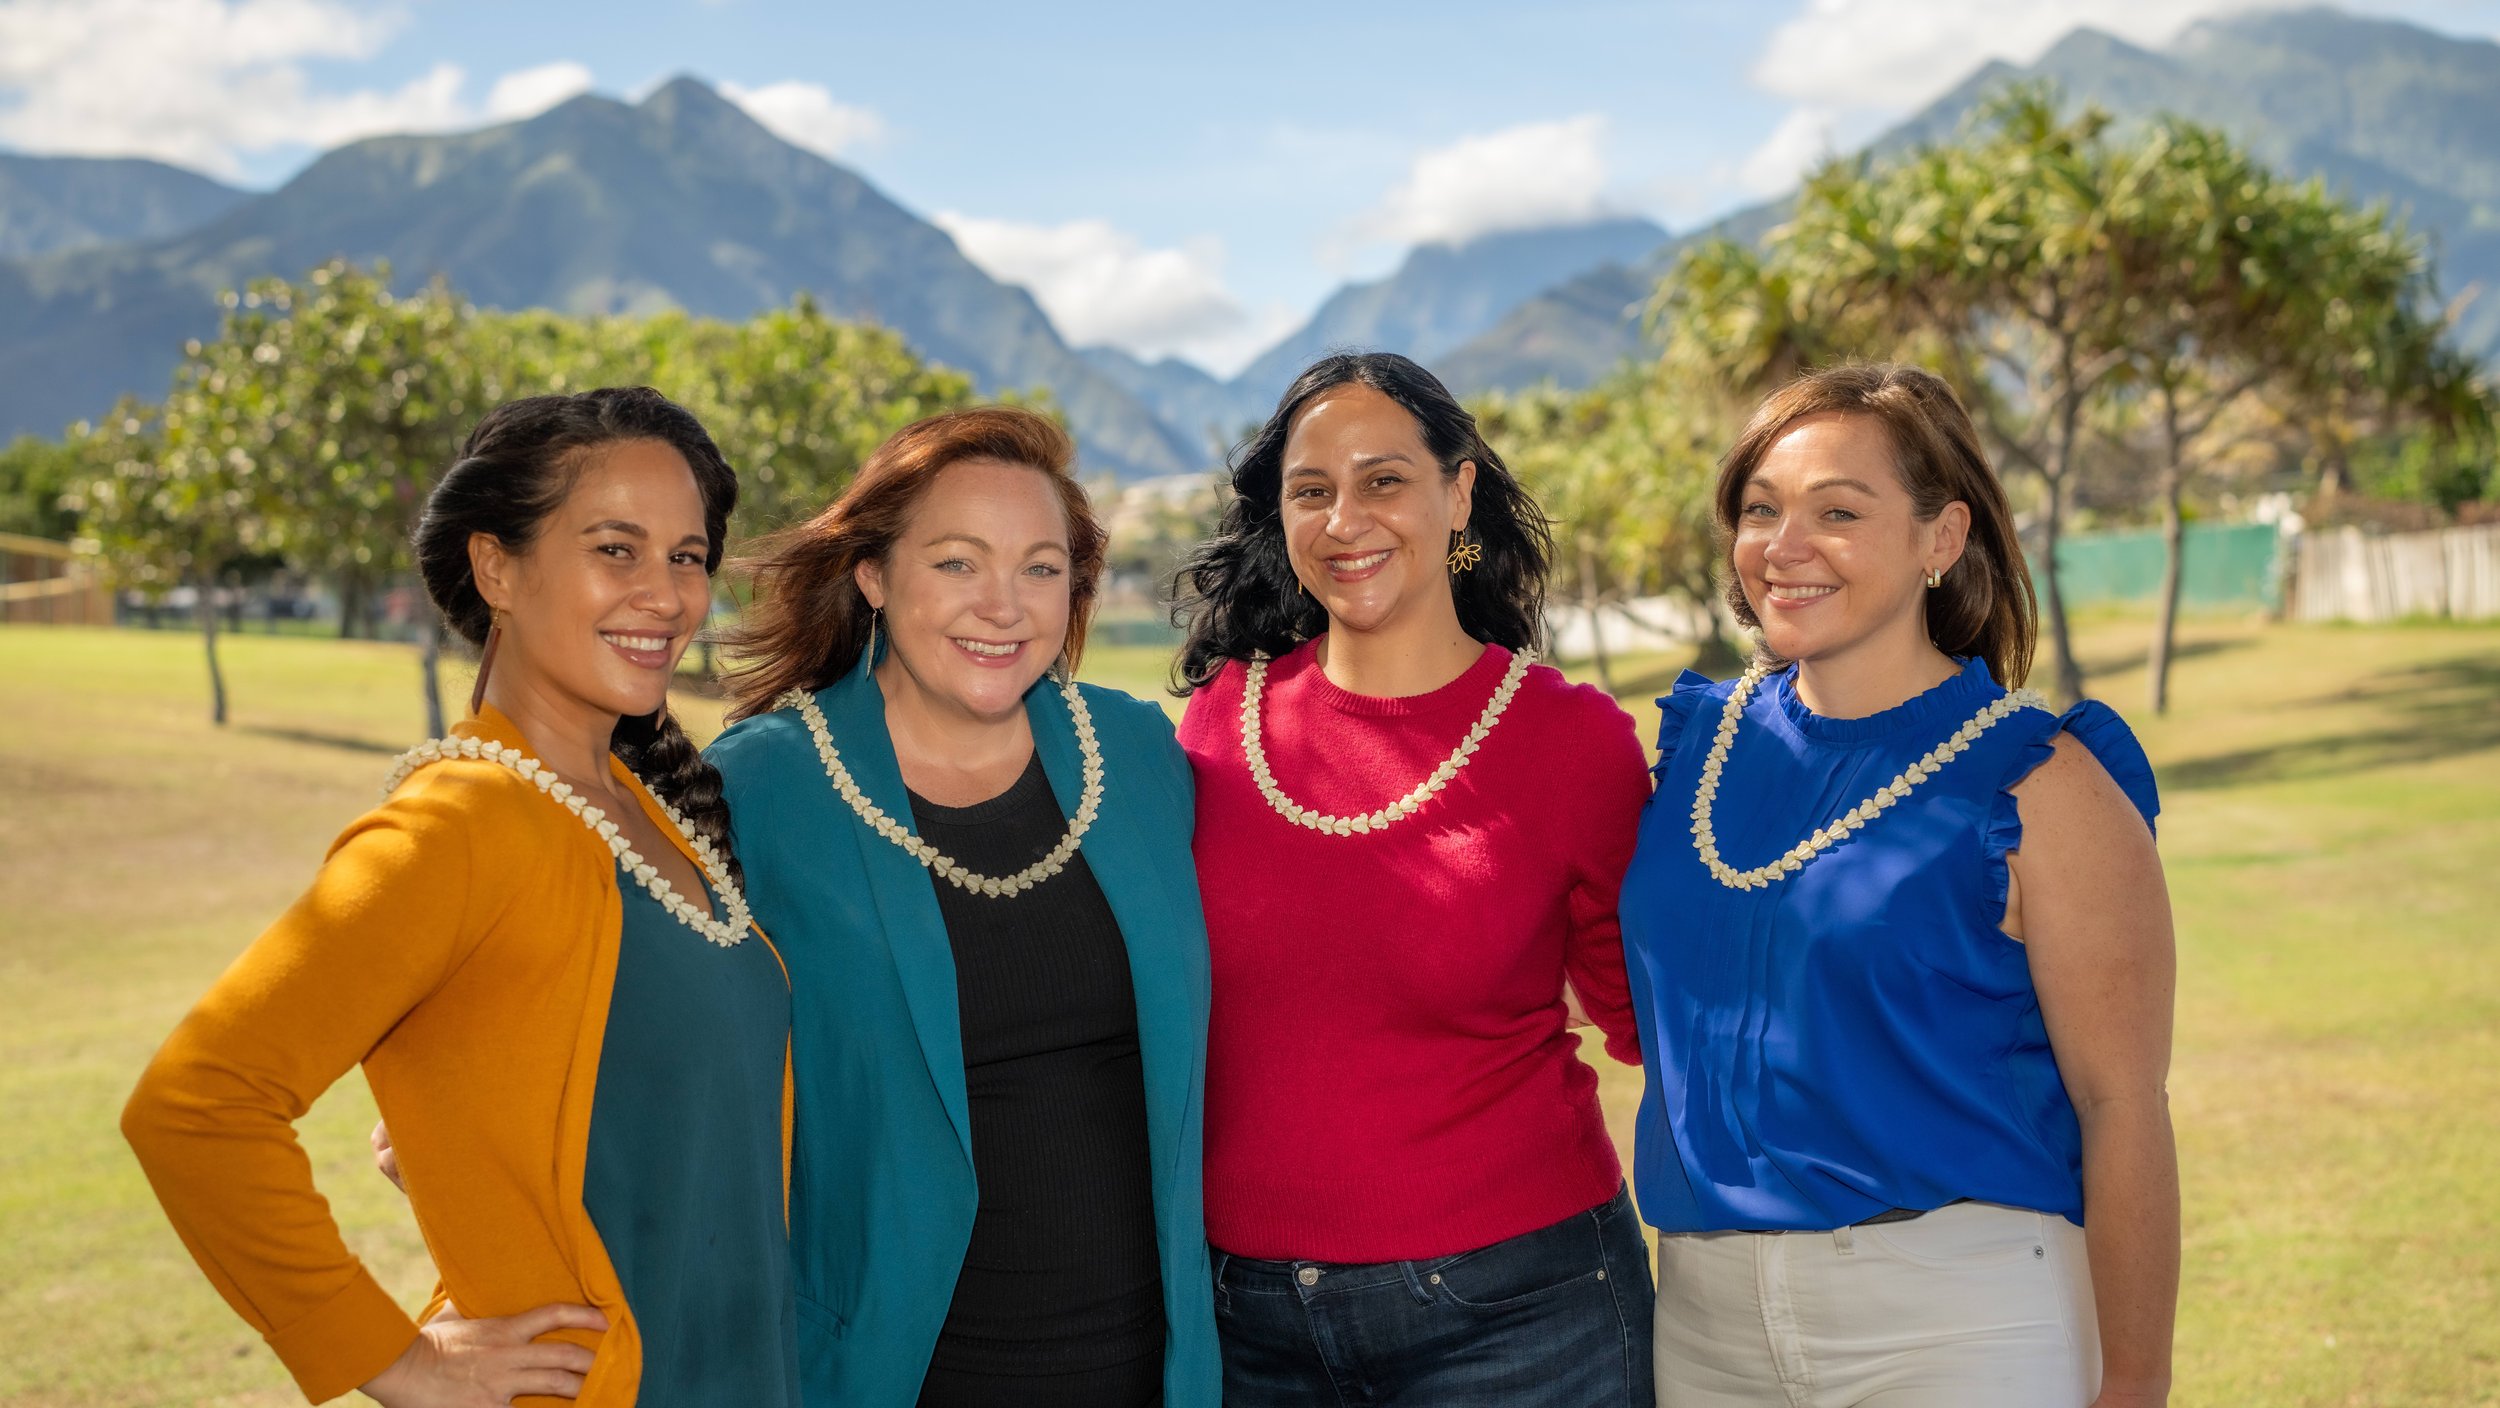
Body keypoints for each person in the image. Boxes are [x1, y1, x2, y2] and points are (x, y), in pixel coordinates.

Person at [122, 387, 798, 1407]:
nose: (666, 594)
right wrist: (397, 1360)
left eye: (687, 555)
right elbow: (195, 1104)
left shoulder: (645, 811)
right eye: (615, 549)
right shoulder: (462, 822)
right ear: (497, 568)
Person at [1619, 362, 2179, 1407]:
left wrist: (2136, 1382)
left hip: (1956, 1323)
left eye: (1837, 510)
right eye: (1759, 510)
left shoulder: (2043, 781)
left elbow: (2122, 1105)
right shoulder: (1690, 754)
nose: (1784, 547)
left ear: (1941, 537)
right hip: (1701, 1323)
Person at [703, 406, 1221, 1408]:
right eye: (955, 563)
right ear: (872, 573)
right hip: (892, 1376)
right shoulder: (759, 790)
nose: (1005, 604)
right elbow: (636, 1024)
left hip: (1145, 1369)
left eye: (1040, 565)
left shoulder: (1138, 753)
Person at [1170, 352, 1657, 1407]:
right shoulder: (1217, 718)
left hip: (1521, 1317)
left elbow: (1654, 1022)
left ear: (1458, 489)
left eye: (1383, 479)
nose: (1346, 518)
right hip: (1246, 1325)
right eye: (1312, 490)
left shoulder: (1572, 742)